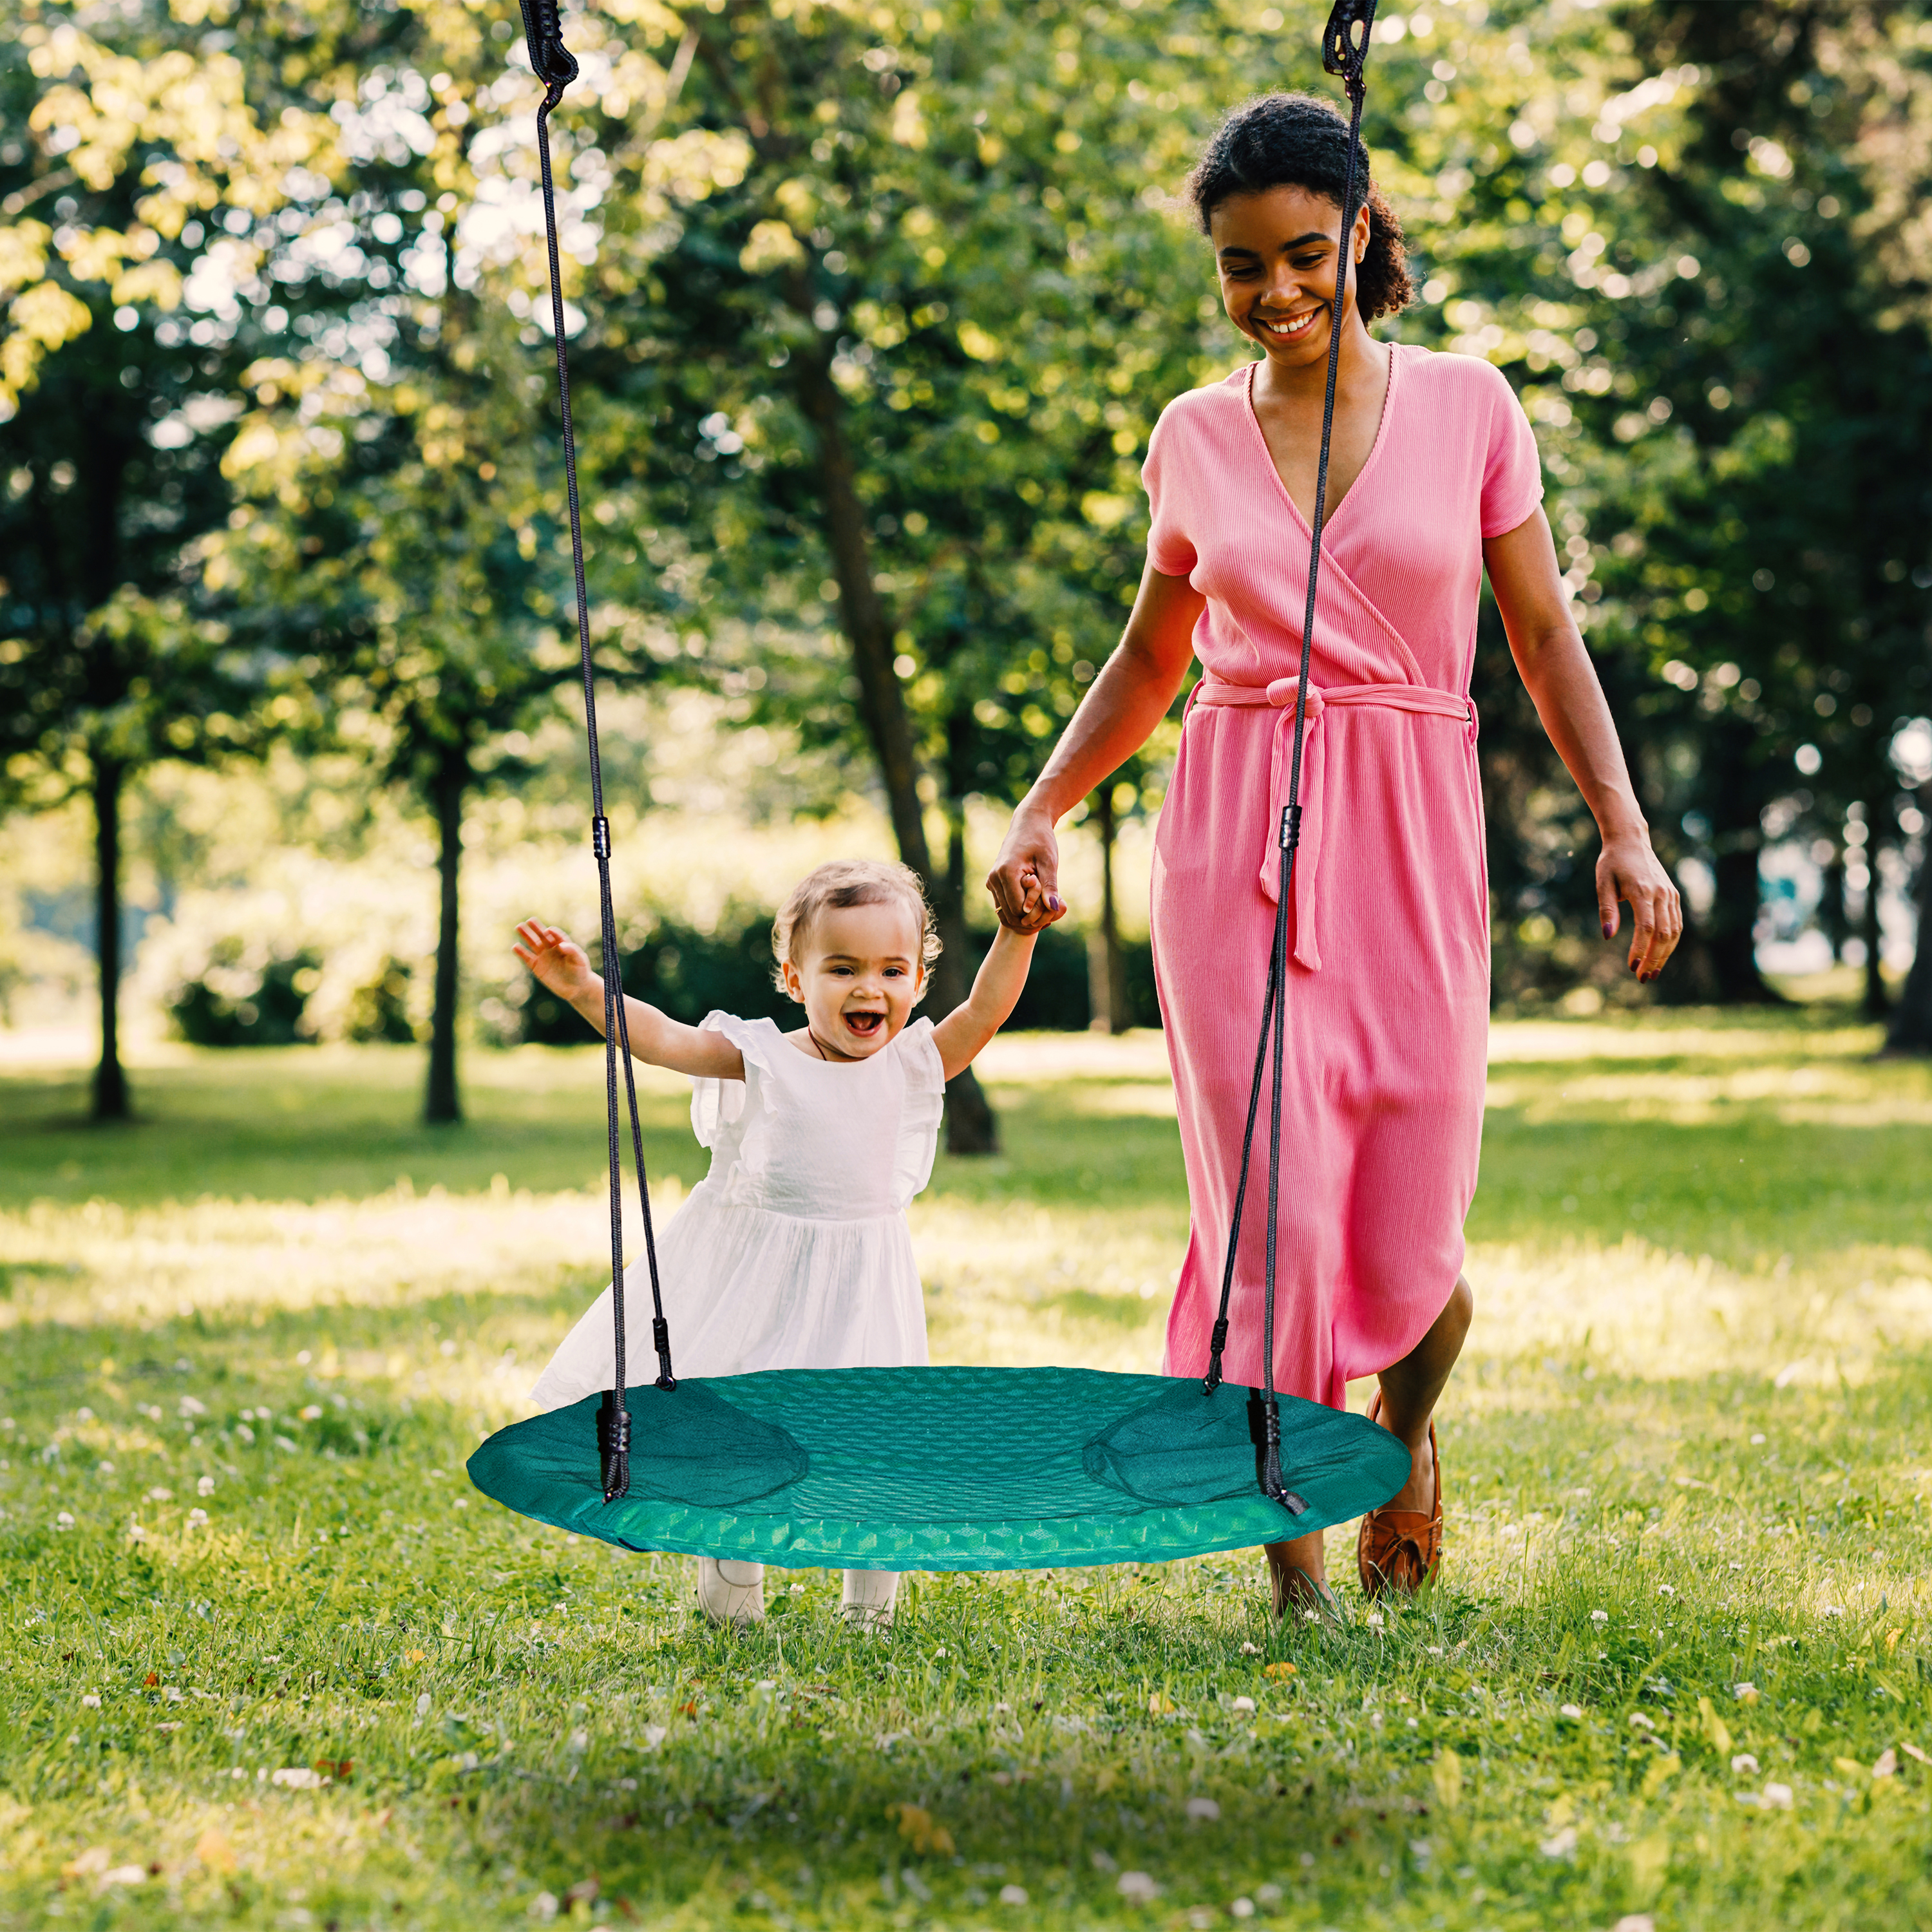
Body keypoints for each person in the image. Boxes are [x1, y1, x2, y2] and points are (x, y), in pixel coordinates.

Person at [987, 93, 1681, 1620]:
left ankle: (1400, 1436)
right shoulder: (1190, 433)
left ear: (1362, 237)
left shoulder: (1470, 407)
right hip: (1233, 826)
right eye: (1242, 269)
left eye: (1304, 254)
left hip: (1410, 819)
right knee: (1272, 1222)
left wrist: (1623, 831)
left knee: (1412, 1237)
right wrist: (1041, 802)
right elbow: (1147, 655)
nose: (1276, 291)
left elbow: (1541, 632)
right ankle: (1291, 1573)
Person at [514, 860, 1037, 1629]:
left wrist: (1017, 933)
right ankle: (734, 1604)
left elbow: (985, 1011)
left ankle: (871, 1610)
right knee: (742, 1442)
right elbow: (661, 1041)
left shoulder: (912, 1065)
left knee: (873, 1441)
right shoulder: (761, 1057)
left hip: (864, 1288)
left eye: (893, 969)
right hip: (760, 1284)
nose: (870, 989)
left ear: (918, 981)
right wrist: (584, 989)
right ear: (795, 979)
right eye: (843, 968)